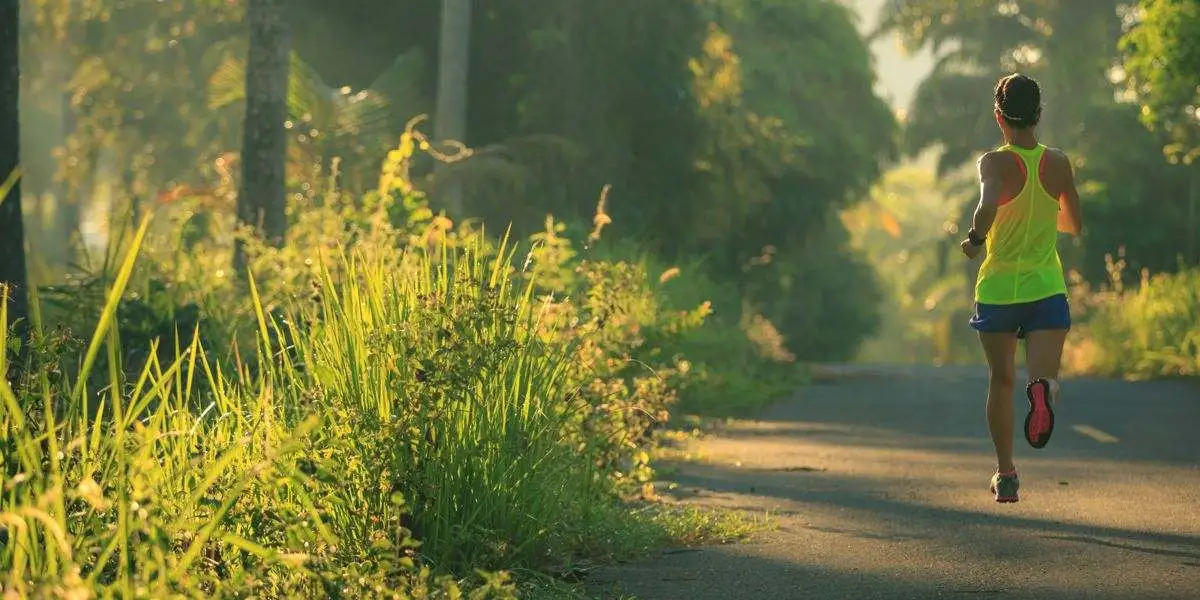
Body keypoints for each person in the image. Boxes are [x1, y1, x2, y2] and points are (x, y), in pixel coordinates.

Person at [960, 73, 1083, 503]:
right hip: (1046, 289)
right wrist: (1043, 212)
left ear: (1000, 117)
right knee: (1043, 376)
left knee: (1001, 380)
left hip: (998, 292)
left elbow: (987, 205)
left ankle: (1006, 473)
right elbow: (1073, 223)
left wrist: (975, 242)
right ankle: (1044, 392)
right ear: (1039, 115)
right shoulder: (1059, 163)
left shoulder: (994, 163)